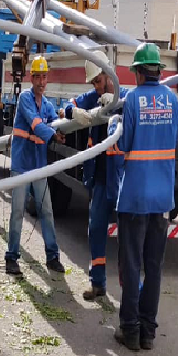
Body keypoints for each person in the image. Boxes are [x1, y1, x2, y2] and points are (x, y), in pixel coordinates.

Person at [112, 43, 178, 351]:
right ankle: (148, 331)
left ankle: (129, 330)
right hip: (163, 199)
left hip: (136, 197)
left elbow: (123, 147)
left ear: (139, 72)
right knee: (153, 267)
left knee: (131, 263)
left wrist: (114, 129)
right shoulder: (172, 100)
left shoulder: (132, 100)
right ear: (158, 71)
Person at [61, 50, 128, 301]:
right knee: (96, 229)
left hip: (121, 180)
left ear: (109, 74)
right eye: (93, 83)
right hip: (100, 178)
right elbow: (67, 107)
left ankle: (130, 292)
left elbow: (134, 110)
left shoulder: (125, 96)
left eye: (99, 82)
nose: (97, 88)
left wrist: (117, 103)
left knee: (127, 238)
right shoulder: (93, 98)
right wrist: (72, 112)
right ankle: (97, 283)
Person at [5, 55, 67, 276]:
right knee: (17, 212)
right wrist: (53, 136)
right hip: (22, 164)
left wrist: (63, 121)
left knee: (46, 211)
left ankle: (52, 257)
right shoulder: (25, 99)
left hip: (39, 165)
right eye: (38, 77)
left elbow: (55, 120)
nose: (41, 81)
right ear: (32, 78)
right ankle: (11, 257)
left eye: (44, 77)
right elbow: (36, 124)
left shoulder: (47, 105)